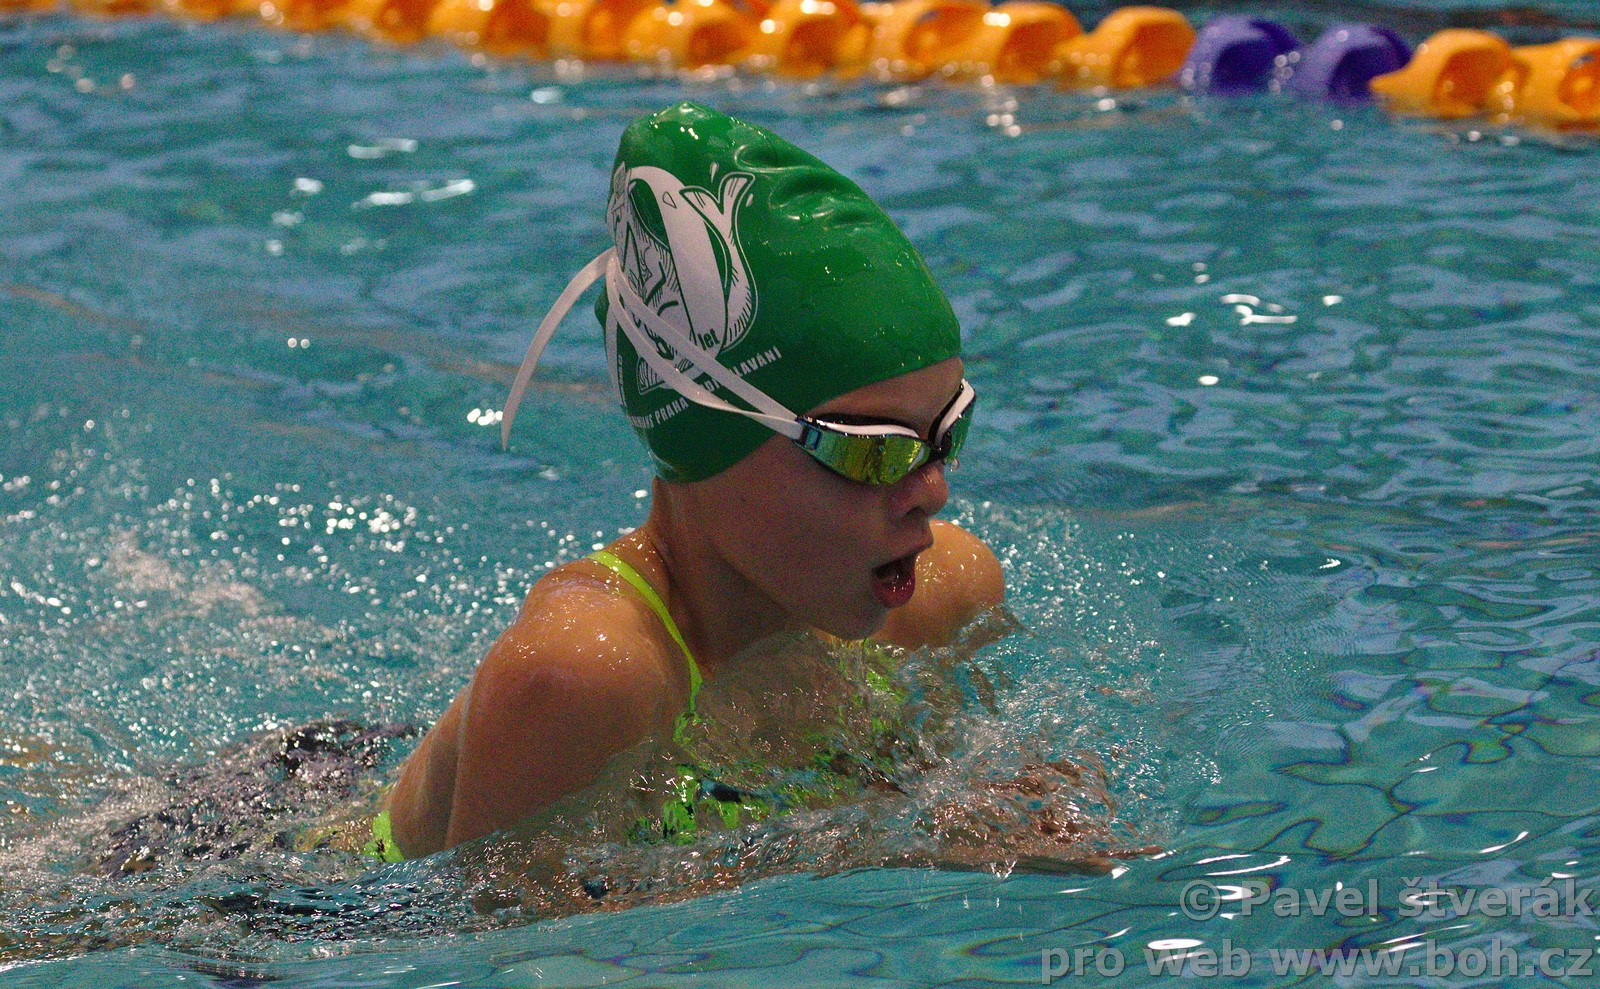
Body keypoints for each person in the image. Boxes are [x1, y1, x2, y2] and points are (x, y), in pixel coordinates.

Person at [375, 102, 1006, 861]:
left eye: (946, 433)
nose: (931, 491)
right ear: (707, 443)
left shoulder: (947, 599)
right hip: (295, 897)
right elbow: (496, 929)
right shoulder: (584, 674)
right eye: (872, 452)